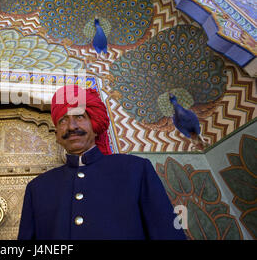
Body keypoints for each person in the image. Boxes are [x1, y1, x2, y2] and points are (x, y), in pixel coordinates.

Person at [17, 85, 186, 240]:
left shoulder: (136, 170)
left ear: (95, 126)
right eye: (62, 120)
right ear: (56, 135)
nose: (71, 126)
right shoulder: (37, 189)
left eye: (79, 116)